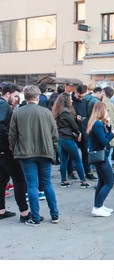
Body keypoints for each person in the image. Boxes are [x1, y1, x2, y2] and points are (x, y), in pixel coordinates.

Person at [9, 85, 60, 226]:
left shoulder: (18, 113)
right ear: (37, 97)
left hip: (26, 154)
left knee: (31, 186)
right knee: (47, 184)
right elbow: (54, 134)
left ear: (25, 97)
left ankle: (35, 218)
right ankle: (55, 215)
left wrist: (14, 150)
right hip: (45, 152)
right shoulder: (46, 112)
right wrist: (54, 149)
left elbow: (12, 136)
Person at [0, 83, 30, 222]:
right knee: (19, 179)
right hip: (6, 149)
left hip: (3, 149)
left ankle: (1, 210)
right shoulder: (3, 105)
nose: (17, 99)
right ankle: (24, 213)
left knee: (2, 179)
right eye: (16, 96)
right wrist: (13, 137)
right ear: (8, 94)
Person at [87, 102, 114, 217]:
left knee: (102, 181)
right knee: (109, 182)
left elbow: (102, 138)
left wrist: (108, 126)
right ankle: (97, 207)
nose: (107, 112)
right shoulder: (98, 125)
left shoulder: (96, 123)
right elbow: (104, 141)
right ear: (101, 111)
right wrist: (112, 134)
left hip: (98, 156)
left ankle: (98, 205)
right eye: (106, 110)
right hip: (101, 157)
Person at [52, 93, 90, 188]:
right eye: (70, 99)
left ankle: (63, 181)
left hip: (61, 137)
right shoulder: (67, 112)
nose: (71, 100)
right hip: (68, 137)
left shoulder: (58, 111)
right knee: (77, 159)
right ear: (67, 101)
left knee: (64, 160)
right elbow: (73, 125)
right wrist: (78, 130)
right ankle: (83, 181)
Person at [102, 86, 114, 166]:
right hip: (113, 135)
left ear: (104, 93)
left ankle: (107, 176)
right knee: (109, 156)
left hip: (104, 135)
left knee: (105, 158)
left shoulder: (101, 105)